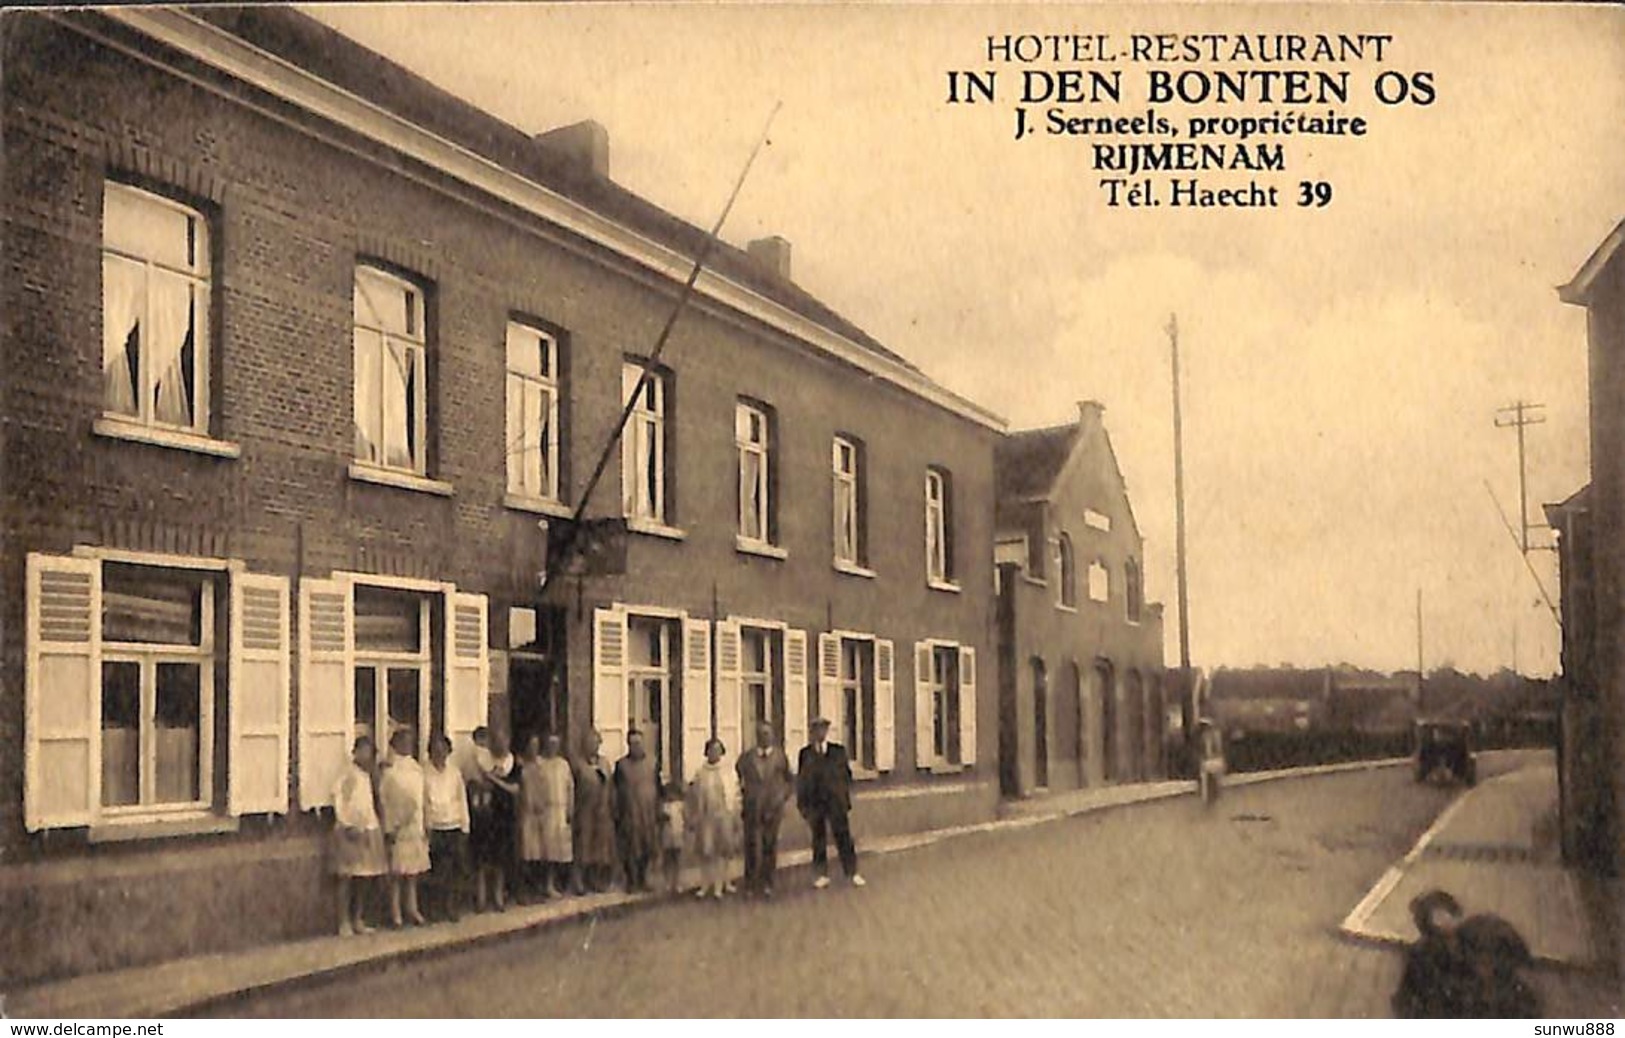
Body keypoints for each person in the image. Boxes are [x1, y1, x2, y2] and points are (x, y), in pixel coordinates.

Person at [797, 717, 864, 889]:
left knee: (843, 837)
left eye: (823, 729)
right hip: (816, 803)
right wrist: (803, 804)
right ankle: (821, 874)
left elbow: (846, 777)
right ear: (812, 732)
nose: (820, 733)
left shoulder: (838, 751)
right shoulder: (805, 754)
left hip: (835, 802)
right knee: (818, 838)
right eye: (817, 729)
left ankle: (852, 872)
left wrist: (844, 798)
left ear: (827, 732)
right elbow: (802, 780)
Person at [331, 735, 387, 936]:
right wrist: (347, 824)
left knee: (364, 877)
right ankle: (343, 921)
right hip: (350, 831)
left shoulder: (371, 776)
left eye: (370, 752)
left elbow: (374, 803)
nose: (366, 756)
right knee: (346, 877)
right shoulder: (348, 775)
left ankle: (358, 918)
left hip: (368, 829)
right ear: (355, 752)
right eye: (362, 751)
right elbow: (339, 800)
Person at [379, 728, 430, 928]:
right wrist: (389, 826)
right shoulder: (389, 771)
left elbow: (422, 797)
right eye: (404, 742)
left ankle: (412, 908)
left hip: (415, 824)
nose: (408, 746)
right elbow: (384, 801)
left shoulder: (416, 768)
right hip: (397, 826)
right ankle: (396, 912)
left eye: (410, 742)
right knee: (397, 873)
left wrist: (426, 822)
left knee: (412, 872)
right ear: (395, 744)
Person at [737, 721, 793, 898]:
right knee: (751, 845)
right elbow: (737, 778)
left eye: (767, 733)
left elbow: (789, 781)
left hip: (773, 807)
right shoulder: (746, 758)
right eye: (761, 734)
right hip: (752, 807)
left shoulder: (780, 757)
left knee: (770, 845)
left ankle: (767, 882)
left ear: (773, 735)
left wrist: (781, 798)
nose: (764, 737)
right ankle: (750, 883)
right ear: (756, 736)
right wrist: (744, 796)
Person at [1392, 889, 1468, 1017]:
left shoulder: (1467, 943)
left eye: (1446, 914)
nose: (1444, 921)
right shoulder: (1421, 952)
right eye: (1438, 916)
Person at [519, 733, 574, 898]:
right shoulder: (540, 764)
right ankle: (542, 885)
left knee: (558, 851)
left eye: (556, 744)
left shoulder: (564, 765)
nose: (553, 747)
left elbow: (570, 787)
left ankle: (553, 883)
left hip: (561, 809)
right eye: (550, 744)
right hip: (545, 811)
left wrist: (570, 808)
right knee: (543, 851)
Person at [422, 732, 470, 922]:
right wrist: (426, 827)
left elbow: (462, 800)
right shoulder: (424, 773)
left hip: (454, 825)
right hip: (435, 826)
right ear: (430, 752)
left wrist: (465, 826)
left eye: (443, 750)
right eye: (435, 750)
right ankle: (435, 908)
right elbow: (423, 802)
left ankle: (451, 907)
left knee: (454, 871)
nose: (439, 754)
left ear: (448, 752)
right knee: (436, 872)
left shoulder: (455, 772)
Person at [1457, 913, 1543, 1018]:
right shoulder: (1458, 991)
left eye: (1494, 953)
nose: (1485, 960)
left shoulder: (1520, 997)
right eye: (1477, 952)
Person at [470, 730, 518, 912]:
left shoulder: (512, 763)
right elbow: (475, 782)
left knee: (500, 859)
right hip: (485, 814)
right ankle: (481, 897)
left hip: (504, 815)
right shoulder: (483, 760)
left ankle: (498, 897)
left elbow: (515, 789)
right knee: (482, 858)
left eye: (504, 742)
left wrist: (493, 779)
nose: (500, 745)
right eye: (496, 742)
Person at [688, 737, 740, 899]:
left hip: (724, 814)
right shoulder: (701, 772)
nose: (714, 753)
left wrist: (735, 814)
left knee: (723, 850)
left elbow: (735, 794)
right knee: (706, 851)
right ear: (706, 752)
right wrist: (695, 814)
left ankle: (722, 883)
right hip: (706, 816)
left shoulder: (728, 771)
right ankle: (705, 884)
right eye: (711, 750)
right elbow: (695, 794)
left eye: (717, 750)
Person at [614, 729, 661, 892]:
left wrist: (658, 809)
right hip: (630, 811)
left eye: (638, 743)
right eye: (632, 744)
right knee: (630, 847)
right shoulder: (621, 765)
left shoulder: (653, 763)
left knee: (647, 846)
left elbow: (658, 787)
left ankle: (643, 878)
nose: (636, 747)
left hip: (647, 811)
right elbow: (616, 789)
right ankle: (631, 881)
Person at [572, 729, 617, 894]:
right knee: (583, 845)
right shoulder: (578, 764)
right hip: (585, 808)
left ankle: (595, 880)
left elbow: (611, 786)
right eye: (590, 743)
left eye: (596, 743)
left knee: (600, 847)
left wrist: (611, 806)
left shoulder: (604, 763)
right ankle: (579, 881)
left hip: (602, 809)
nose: (593, 746)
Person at [658, 781, 686, 893]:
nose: (671, 797)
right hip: (667, 834)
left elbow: (685, 817)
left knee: (677, 859)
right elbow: (660, 819)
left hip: (677, 833)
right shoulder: (663, 807)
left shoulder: (680, 806)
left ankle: (677, 882)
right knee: (667, 859)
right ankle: (668, 882)